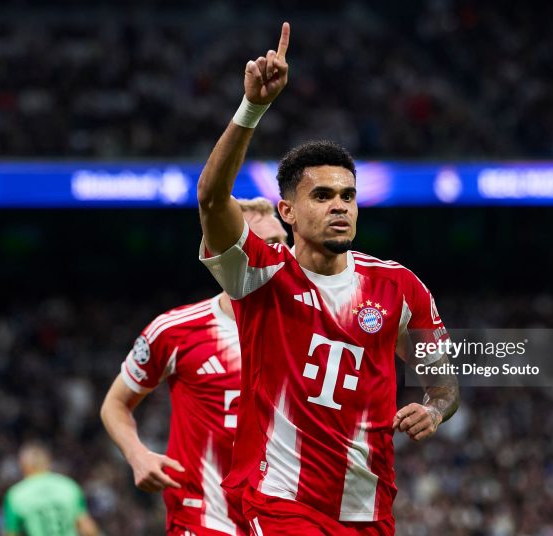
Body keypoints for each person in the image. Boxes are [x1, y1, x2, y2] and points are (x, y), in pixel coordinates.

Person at [196, 22, 459, 535]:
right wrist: (252, 109)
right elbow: (210, 198)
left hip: (369, 509)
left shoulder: (400, 286)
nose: (339, 205)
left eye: (348, 195)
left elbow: (442, 380)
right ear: (287, 211)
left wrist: (435, 409)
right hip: (279, 503)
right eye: (322, 196)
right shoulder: (260, 274)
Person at [100, 198, 287, 536]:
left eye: (285, 243)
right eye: (270, 244)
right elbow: (115, 404)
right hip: (204, 521)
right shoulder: (176, 330)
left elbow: (415, 330)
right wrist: (137, 455)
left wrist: (419, 395)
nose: (285, 255)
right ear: (235, 252)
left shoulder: (313, 328)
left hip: (285, 522)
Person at [3, 442, 100, 536]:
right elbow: (88, 529)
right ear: (47, 462)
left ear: (22, 466)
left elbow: (11, 533)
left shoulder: (16, 495)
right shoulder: (68, 486)